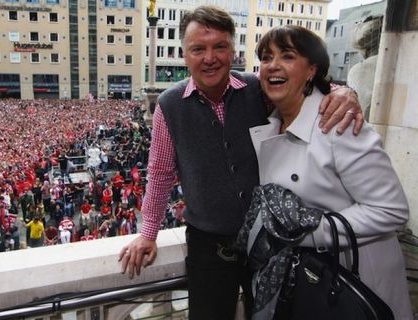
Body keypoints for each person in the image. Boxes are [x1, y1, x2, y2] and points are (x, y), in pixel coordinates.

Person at [118, 5, 363, 320]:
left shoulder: (256, 87)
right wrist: (148, 232)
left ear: (233, 50)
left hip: (267, 236)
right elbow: (161, 175)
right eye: (198, 49)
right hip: (207, 244)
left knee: (272, 314)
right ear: (184, 54)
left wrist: (347, 93)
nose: (210, 57)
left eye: (219, 46)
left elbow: (304, 89)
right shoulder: (168, 105)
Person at [245, 25, 412, 319]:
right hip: (307, 280)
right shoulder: (272, 124)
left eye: (287, 56)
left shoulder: (340, 125)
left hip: (351, 282)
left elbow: (391, 209)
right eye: (266, 57)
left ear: (311, 69)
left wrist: (305, 233)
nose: (273, 65)